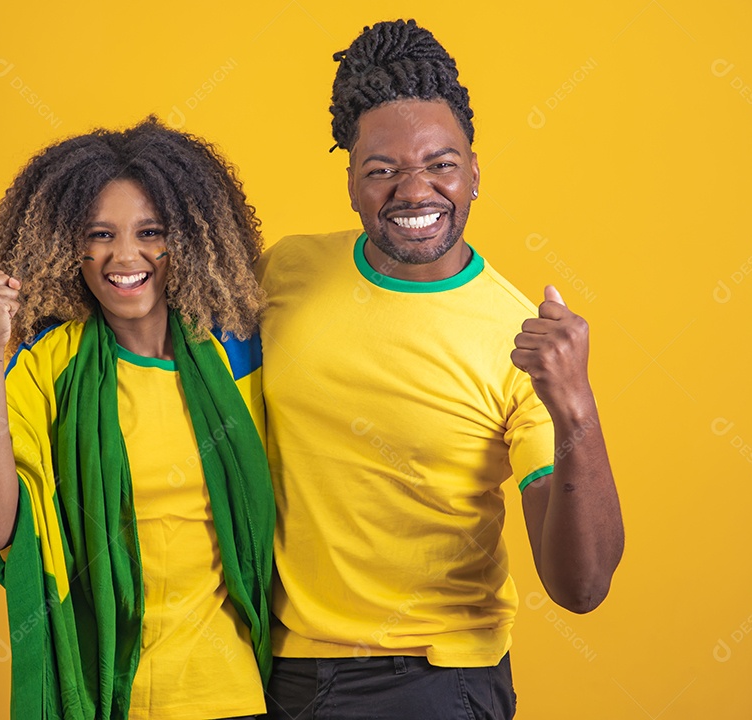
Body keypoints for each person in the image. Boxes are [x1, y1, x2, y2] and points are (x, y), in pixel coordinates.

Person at [258, 19, 625, 720]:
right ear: (351, 183)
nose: (415, 190)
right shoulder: (288, 270)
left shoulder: (519, 341)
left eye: (441, 164)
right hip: (276, 668)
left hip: (430, 682)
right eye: (383, 170)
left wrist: (576, 405)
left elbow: (580, 586)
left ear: (475, 174)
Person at [0, 118, 275, 720]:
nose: (125, 256)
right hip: (110, 695)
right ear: (67, 245)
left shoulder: (238, 358)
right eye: (100, 234)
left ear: (191, 237)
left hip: (233, 692)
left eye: (150, 231)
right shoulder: (51, 366)